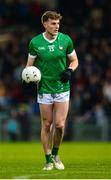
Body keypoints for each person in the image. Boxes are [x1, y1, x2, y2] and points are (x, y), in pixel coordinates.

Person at [25, 11, 79, 170]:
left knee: (60, 125)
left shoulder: (66, 40)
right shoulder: (35, 42)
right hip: (44, 88)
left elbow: (74, 60)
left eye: (58, 24)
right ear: (45, 24)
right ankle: (48, 160)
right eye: (53, 23)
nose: (56, 27)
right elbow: (29, 65)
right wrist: (28, 76)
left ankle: (56, 154)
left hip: (62, 87)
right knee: (46, 124)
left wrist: (70, 70)